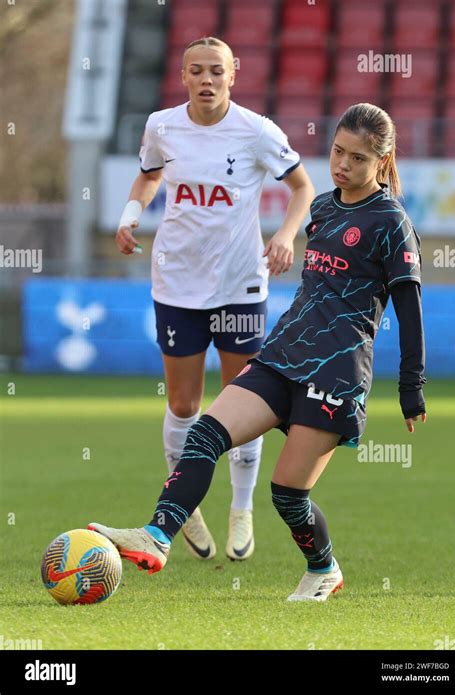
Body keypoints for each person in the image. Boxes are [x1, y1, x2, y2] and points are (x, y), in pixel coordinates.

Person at [90, 102, 427, 601]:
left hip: (335, 374)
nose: (342, 165)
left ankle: (323, 567)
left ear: (382, 160)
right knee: (204, 432)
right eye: (337, 152)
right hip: (282, 355)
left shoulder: (391, 220)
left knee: (288, 495)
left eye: (357, 158)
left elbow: (410, 307)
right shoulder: (325, 208)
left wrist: (411, 386)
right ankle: (157, 534)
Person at [115, 36, 315, 561]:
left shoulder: (256, 131)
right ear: (182, 76)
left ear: (234, 74)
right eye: (196, 71)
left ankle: (241, 508)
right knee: (184, 404)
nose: (206, 80)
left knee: (240, 405)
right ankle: (185, 506)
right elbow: (149, 172)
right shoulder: (162, 125)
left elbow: (303, 188)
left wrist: (287, 234)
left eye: (216, 72)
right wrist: (130, 217)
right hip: (177, 281)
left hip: (239, 284)